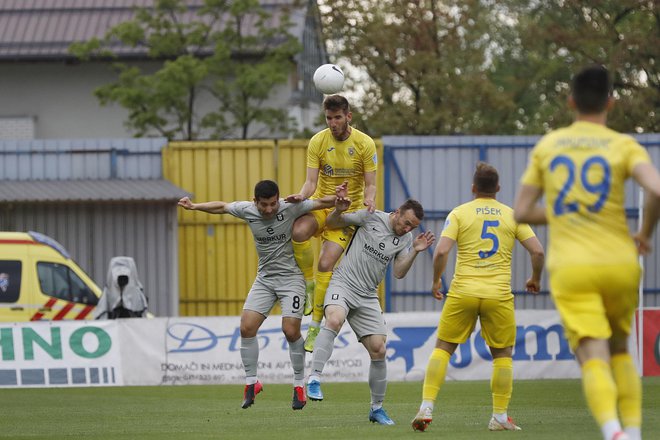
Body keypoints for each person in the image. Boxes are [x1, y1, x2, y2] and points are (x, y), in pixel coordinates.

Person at [514, 65, 660, 440]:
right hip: (620, 262)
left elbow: (522, 212)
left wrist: (567, 211)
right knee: (621, 350)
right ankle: (634, 432)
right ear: (611, 102)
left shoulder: (549, 146)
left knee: (592, 354)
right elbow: (656, 190)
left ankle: (613, 431)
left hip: (572, 267)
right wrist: (643, 233)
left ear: (571, 102)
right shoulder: (623, 145)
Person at [178, 180, 337, 411]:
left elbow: (321, 202)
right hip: (265, 279)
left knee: (290, 330)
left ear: (278, 199)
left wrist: (342, 198)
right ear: (255, 202)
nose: (269, 210)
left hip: (291, 279)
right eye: (264, 205)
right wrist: (194, 206)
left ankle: (298, 384)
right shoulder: (247, 210)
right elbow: (221, 206)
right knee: (246, 327)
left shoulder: (290, 207)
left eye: (273, 204)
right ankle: (252, 383)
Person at [412, 162, 545, 433]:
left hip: (463, 292)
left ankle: (426, 406)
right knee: (502, 355)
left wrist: (437, 280)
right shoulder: (513, 215)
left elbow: (440, 252)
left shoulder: (460, 213)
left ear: (473, 188)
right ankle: (499, 416)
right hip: (498, 294)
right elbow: (538, 252)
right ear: (497, 188)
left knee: (443, 348)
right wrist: (535, 279)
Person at [305, 197, 435, 425]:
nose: (407, 229)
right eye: (405, 223)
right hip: (343, 283)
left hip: (367, 295)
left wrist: (414, 251)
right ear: (397, 212)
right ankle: (314, 378)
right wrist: (338, 210)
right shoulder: (371, 216)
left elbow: (398, 273)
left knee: (379, 349)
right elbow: (334, 223)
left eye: (412, 227)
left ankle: (376, 408)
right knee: (334, 320)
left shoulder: (406, 238)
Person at [286, 94, 378, 352]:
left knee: (326, 263)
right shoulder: (317, 141)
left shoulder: (365, 144)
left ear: (348, 116)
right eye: (329, 118)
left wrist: (369, 201)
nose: (333, 123)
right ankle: (308, 284)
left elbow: (370, 185)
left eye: (337, 117)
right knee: (298, 231)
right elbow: (310, 183)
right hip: (322, 204)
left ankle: (314, 327)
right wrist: (301, 196)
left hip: (346, 213)